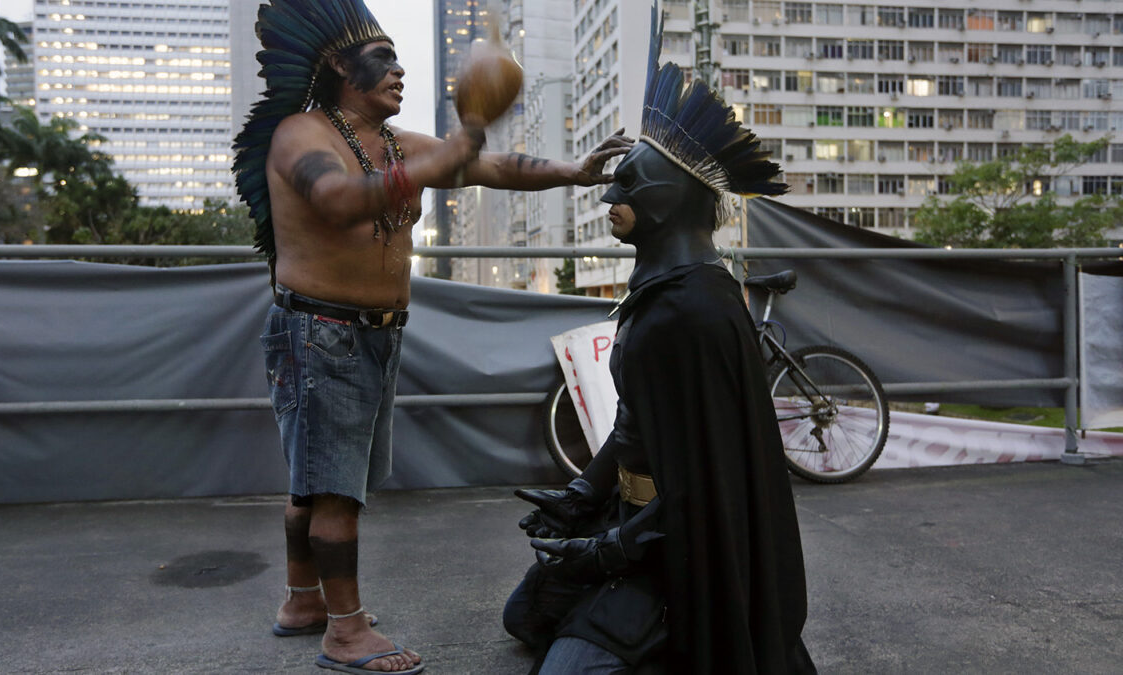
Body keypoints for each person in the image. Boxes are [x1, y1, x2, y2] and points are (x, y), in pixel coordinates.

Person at [231, 1, 631, 672]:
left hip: (372, 336)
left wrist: (576, 171)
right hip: (320, 330)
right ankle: (346, 631)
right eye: (383, 58)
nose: (400, 69)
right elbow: (338, 199)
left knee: (318, 479)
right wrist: (446, 154)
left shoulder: (389, 143)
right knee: (332, 488)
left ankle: (304, 601)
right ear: (337, 65)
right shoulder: (302, 135)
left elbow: (491, 168)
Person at [502, 8, 816, 674]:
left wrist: (608, 550)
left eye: (627, 180)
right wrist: (581, 495)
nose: (607, 191)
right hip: (636, 521)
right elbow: (639, 426)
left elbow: (707, 491)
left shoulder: (694, 315)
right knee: (522, 616)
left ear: (669, 200)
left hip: (675, 555)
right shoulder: (661, 299)